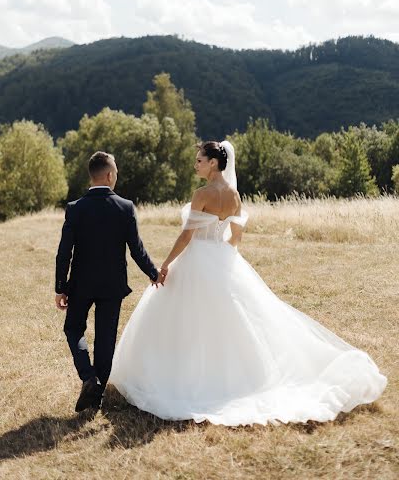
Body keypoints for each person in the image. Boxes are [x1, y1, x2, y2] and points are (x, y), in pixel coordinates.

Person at [109, 141, 387, 426]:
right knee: (229, 319)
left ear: (214, 163)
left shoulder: (202, 194)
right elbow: (236, 239)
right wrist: (220, 257)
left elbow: (186, 236)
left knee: (187, 318)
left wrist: (165, 263)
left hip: (197, 258)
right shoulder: (235, 196)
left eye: (200, 160)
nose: (196, 164)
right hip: (222, 257)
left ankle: (182, 374)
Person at [55, 151, 163, 412]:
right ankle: (97, 394)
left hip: (80, 284)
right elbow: (136, 248)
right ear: (110, 175)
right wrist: (153, 272)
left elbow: (64, 251)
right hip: (112, 285)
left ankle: (88, 377)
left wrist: (61, 286)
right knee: (105, 339)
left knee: (73, 330)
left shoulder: (75, 208)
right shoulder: (125, 207)